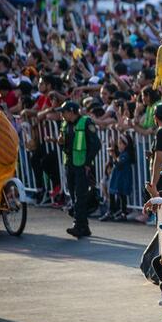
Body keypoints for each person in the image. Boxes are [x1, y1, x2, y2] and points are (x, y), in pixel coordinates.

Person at [59, 100, 100, 238]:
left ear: (71, 112)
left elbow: (96, 145)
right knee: (74, 194)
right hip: (70, 164)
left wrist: (88, 163)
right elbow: (65, 145)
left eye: (63, 112)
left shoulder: (86, 122)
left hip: (82, 165)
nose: (62, 115)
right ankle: (85, 227)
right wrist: (60, 143)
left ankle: (78, 225)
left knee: (80, 196)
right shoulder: (65, 124)